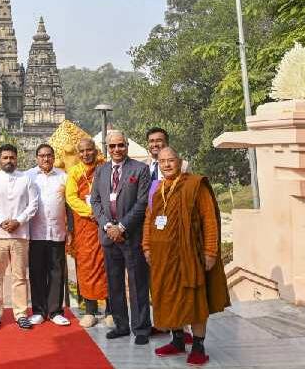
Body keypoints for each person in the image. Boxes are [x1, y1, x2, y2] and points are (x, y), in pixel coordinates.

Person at [144, 147, 229, 365]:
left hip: (189, 255)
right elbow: (148, 220)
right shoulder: (157, 188)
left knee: (194, 300)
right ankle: (178, 340)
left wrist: (210, 252)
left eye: (171, 160)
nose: (166, 165)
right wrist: (146, 246)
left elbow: (209, 220)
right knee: (169, 297)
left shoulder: (195, 185)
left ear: (179, 161)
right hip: (162, 257)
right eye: (162, 161)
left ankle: (198, 345)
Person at [91, 130, 152, 344]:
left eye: (120, 145)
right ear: (106, 149)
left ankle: (142, 328)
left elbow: (142, 202)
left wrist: (122, 226)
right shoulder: (101, 171)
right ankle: (121, 325)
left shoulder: (140, 169)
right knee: (114, 283)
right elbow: (95, 202)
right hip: (108, 236)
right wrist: (108, 226)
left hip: (131, 235)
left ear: (126, 145)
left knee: (138, 283)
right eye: (112, 146)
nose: (117, 150)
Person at [0, 144, 38, 331]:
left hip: (20, 234)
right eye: (5, 158)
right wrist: (0, 221)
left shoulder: (26, 179)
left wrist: (18, 221)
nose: (8, 161)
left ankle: (20, 313)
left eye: (12, 157)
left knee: (20, 275)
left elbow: (33, 204)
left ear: (17, 159)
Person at [64, 138, 110, 328]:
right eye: (81, 151)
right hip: (85, 225)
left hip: (105, 223)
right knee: (86, 266)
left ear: (95, 150)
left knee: (108, 266)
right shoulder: (75, 172)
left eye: (89, 150)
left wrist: (101, 213)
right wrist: (91, 211)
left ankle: (110, 310)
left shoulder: (106, 168)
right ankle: (90, 311)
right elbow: (71, 197)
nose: (85, 154)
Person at [27, 143, 70, 326]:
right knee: (37, 272)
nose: (46, 159)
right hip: (34, 232)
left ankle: (55, 311)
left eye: (49, 155)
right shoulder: (28, 176)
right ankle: (38, 310)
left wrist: (71, 229)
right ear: (37, 158)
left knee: (56, 272)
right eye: (42, 155)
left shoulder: (64, 177)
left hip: (57, 231)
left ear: (54, 157)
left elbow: (70, 204)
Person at [145, 127, 188, 207]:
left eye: (159, 140)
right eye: (151, 141)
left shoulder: (183, 165)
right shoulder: (142, 166)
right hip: (147, 214)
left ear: (167, 143)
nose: (155, 145)